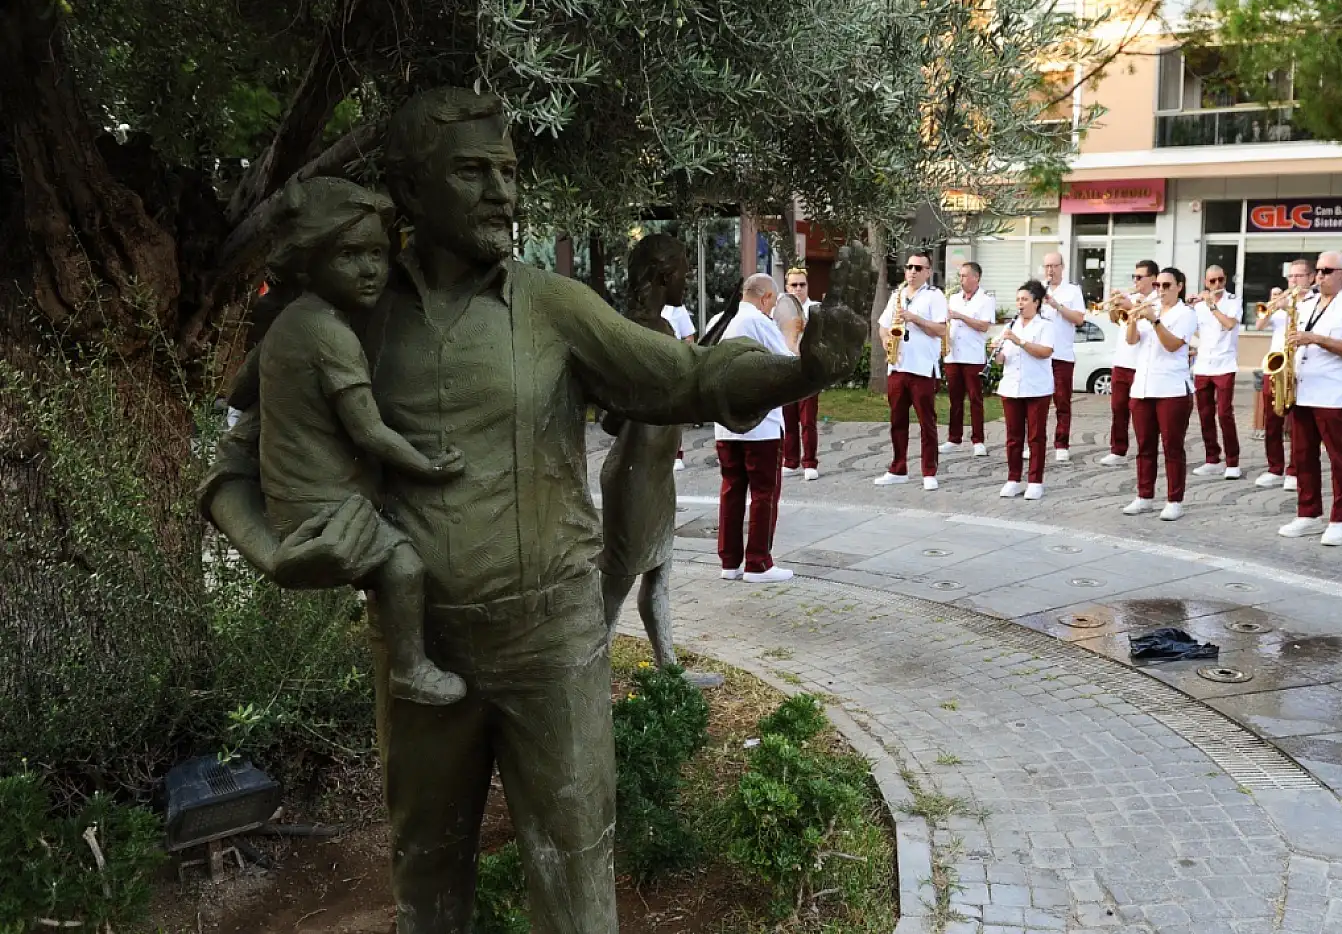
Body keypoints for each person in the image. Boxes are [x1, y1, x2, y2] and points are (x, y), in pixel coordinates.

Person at [198, 87, 866, 933]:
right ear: (411, 189)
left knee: (577, 883)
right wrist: (273, 553)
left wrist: (800, 372)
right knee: (428, 886)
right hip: (420, 656)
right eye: (471, 173)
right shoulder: (344, 315)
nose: (501, 193)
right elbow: (231, 469)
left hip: (553, 646)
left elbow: (687, 379)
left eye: (507, 173)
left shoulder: (553, 306)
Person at [248, 177, 467, 707]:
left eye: (377, 253)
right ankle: (410, 669)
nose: (370, 268)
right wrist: (427, 466)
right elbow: (368, 429)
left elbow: (240, 391)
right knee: (404, 566)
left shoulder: (290, 322)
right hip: (321, 508)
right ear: (310, 259)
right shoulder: (331, 334)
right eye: (349, 254)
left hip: (292, 500)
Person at [599, 233, 689, 672]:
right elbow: (612, 416)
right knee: (614, 588)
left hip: (656, 473)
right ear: (663, 275)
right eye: (684, 274)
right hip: (633, 476)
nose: (687, 283)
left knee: (659, 582)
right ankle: (587, 674)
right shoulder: (635, 331)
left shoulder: (663, 329)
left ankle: (668, 669)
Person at [1278, 251, 1342, 547]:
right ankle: (1308, 513)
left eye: (1327, 271)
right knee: (1302, 455)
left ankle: (1340, 520)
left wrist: (1315, 338)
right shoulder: (1306, 303)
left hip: (1331, 392)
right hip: (1303, 388)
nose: (1320, 275)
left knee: (1337, 458)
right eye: (1318, 270)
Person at [718, 274, 796, 582]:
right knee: (764, 492)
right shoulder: (759, 323)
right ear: (764, 298)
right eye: (773, 303)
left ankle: (729, 562)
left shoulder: (723, 321)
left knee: (731, 490)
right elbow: (789, 364)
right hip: (759, 425)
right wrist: (790, 333)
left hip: (725, 425)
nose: (773, 309)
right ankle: (758, 562)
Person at [1122, 267, 1199, 522]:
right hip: (1143, 387)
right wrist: (1133, 317)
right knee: (1144, 446)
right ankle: (1144, 496)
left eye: (1167, 285)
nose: (1161, 290)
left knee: (1172, 447)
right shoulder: (1149, 307)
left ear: (1179, 286)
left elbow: (1173, 345)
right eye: (1158, 285)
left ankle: (1175, 500)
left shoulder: (1186, 314)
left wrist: (1154, 320)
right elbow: (1131, 341)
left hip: (1172, 389)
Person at [875, 249, 949, 490]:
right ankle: (898, 468)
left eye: (918, 268)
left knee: (926, 421)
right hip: (898, 365)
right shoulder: (897, 294)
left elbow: (940, 330)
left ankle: (929, 471)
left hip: (922, 368)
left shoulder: (934, 296)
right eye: (909, 267)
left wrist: (915, 318)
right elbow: (882, 326)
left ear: (927, 272)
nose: (912, 272)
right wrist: (886, 340)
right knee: (897, 420)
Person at [994, 280, 1056, 499]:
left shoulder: (1045, 325)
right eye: (1018, 299)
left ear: (1036, 303)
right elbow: (1001, 360)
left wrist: (1019, 342)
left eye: (1025, 299)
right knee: (1013, 436)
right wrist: (996, 352)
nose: (1020, 304)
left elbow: (1045, 351)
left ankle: (1035, 481)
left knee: (1036, 437)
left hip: (1037, 387)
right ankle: (1013, 479)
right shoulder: (1010, 326)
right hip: (1011, 387)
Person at [1255, 260, 1312, 489]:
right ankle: (1274, 468)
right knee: (1271, 421)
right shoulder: (1281, 302)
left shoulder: (1314, 303)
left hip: (1301, 367)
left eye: (1299, 276)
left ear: (1310, 278)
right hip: (1276, 367)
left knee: (1298, 423)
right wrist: (1274, 304)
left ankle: (1295, 470)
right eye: (1291, 277)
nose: (1294, 281)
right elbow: (1259, 324)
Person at [1099, 260, 1157, 467]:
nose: (1136, 281)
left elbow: (1152, 318)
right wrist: (1114, 302)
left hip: (1142, 363)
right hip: (1122, 360)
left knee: (1142, 413)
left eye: (1140, 277)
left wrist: (1130, 305)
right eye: (1135, 277)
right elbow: (1115, 319)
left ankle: (1146, 450)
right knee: (1118, 408)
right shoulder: (1130, 297)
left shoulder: (1156, 300)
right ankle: (1118, 449)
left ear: (1153, 279)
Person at [1189, 264, 1243, 480]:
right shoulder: (1199, 306)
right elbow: (1193, 332)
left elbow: (1229, 324)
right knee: (1204, 414)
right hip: (1203, 365)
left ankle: (1233, 461)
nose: (1217, 285)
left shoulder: (1233, 301)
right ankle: (1212, 458)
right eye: (1212, 281)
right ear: (1205, 283)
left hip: (1225, 364)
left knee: (1225, 414)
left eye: (1220, 280)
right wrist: (1189, 306)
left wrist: (1212, 306)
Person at [941, 261, 996, 458]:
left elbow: (983, 326)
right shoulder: (954, 298)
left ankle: (978, 440)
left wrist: (960, 316)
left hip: (973, 356)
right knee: (955, 399)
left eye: (965, 276)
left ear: (976, 277)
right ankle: (953, 438)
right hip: (953, 355)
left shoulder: (986, 300)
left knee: (975, 399)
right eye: (960, 276)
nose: (961, 280)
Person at [1040, 251, 1087, 462]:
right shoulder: (1038, 289)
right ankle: (1035, 443)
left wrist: (1056, 305)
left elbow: (1078, 319)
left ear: (1062, 267)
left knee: (1062, 401)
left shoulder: (1073, 291)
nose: (1050, 270)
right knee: (1036, 402)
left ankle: (1061, 443)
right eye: (1047, 266)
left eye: (1054, 266)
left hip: (1062, 354)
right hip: (1040, 353)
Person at [780, 267, 824, 480]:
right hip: (786, 368)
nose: (798, 289)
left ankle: (810, 462)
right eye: (794, 285)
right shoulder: (779, 309)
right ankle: (790, 460)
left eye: (802, 284)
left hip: (808, 371)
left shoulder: (816, 309)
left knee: (808, 420)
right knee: (788, 419)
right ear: (787, 287)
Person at [661, 291, 697, 471]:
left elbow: (688, 336)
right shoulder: (641, 305)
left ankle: (676, 453)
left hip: (672, 362)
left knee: (673, 411)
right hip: (648, 361)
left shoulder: (675, 307)